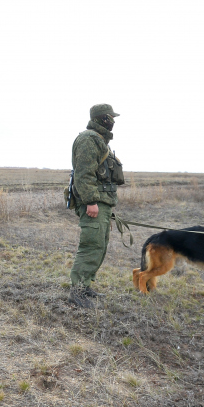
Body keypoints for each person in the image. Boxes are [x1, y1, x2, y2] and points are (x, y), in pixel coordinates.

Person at [68, 104, 125, 308]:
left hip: (102, 203)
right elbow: (84, 175)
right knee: (91, 246)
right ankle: (77, 292)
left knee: (99, 246)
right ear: (102, 119)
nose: (113, 121)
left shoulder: (99, 140)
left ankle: (86, 285)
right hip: (93, 203)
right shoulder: (88, 139)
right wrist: (91, 201)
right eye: (111, 117)